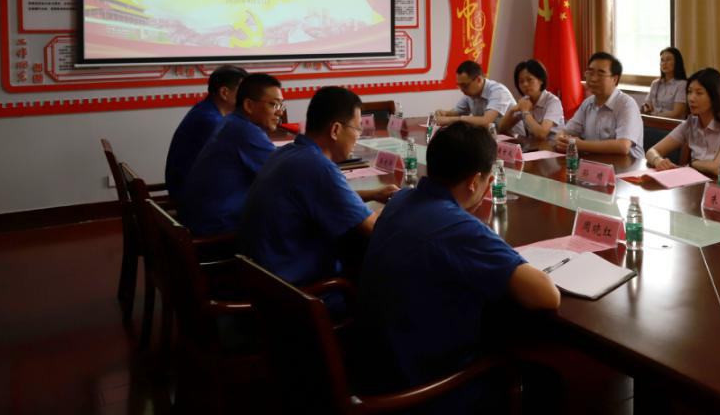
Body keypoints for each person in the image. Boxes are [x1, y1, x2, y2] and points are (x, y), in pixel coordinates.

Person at [361, 121, 560, 394]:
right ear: (475, 181)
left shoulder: (400, 200)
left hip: (375, 366)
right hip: (426, 389)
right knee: (545, 381)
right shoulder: (457, 228)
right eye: (488, 180)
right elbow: (546, 295)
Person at [240, 86, 398, 287]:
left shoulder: (289, 152)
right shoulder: (317, 167)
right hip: (296, 291)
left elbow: (321, 195)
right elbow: (374, 229)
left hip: (261, 276)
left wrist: (374, 194)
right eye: (358, 129)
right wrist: (402, 209)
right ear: (335, 130)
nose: (358, 136)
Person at [178, 73, 282, 236]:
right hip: (217, 228)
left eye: (281, 105)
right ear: (248, 105)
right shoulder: (245, 132)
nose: (279, 112)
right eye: (274, 105)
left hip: (197, 217)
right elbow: (285, 175)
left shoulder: (231, 121)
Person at [645, 68, 720, 178]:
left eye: (699, 93)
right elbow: (652, 151)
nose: (691, 98)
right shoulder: (690, 123)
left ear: (715, 96)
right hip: (701, 181)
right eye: (689, 92)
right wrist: (658, 161)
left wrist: (694, 164)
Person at [164, 65, 247, 200]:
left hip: (188, 188)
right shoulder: (210, 121)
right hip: (195, 198)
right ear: (224, 93)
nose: (247, 97)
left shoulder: (206, 109)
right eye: (243, 91)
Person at [554, 52, 644, 160]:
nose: (593, 79)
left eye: (600, 74)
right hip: (595, 165)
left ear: (614, 79)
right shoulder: (587, 104)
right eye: (590, 73)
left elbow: (623, 146)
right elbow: (566, 131)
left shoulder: (626, 104)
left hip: (628, 167)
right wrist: (560, 139)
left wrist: (580, 145)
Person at [434, 60, 516, 130]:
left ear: (479, 80)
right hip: (495, 136)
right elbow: (458, 112)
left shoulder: (498, 91)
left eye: (464, 85)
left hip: (516, 139)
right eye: (459, 85)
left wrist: (453, 120)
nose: (461, 89)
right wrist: (445, 113)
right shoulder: (470, 93)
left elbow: (486, 121)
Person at [497, 59, 565, 140]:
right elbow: (501, 128)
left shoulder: (553, 102)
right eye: (521, 81)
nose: (525, 84)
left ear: (541, 80)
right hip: (532, 145)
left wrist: (525, 112)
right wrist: (511, 111)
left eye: (529, 79)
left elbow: (542, 134)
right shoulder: (525, 101)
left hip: (552, 146)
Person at [641, 47, 687, 118]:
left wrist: (654, 114)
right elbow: (647, 104)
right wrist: (645, 107)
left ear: (677, 62)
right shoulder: (655, 83)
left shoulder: (682, 84)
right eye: (662, 60)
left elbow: (676, 113)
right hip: (653, 121)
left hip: (672, 123)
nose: (664, 63)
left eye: (668, 60)